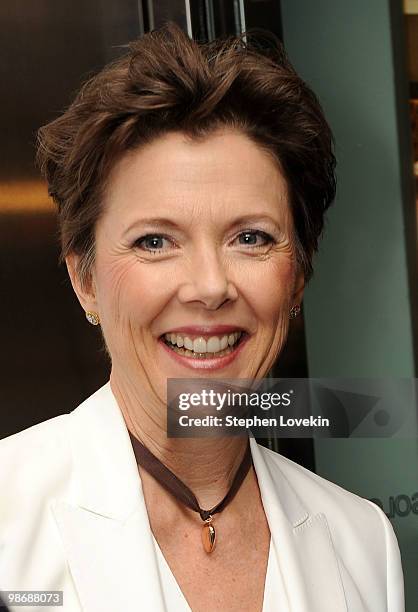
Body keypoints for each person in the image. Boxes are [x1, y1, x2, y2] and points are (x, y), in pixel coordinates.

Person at [0, 22, 404, 612]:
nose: (211, 286)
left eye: (251, 237)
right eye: (155, 242)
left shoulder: (361, 539)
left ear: (298, 274)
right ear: (84, 280)